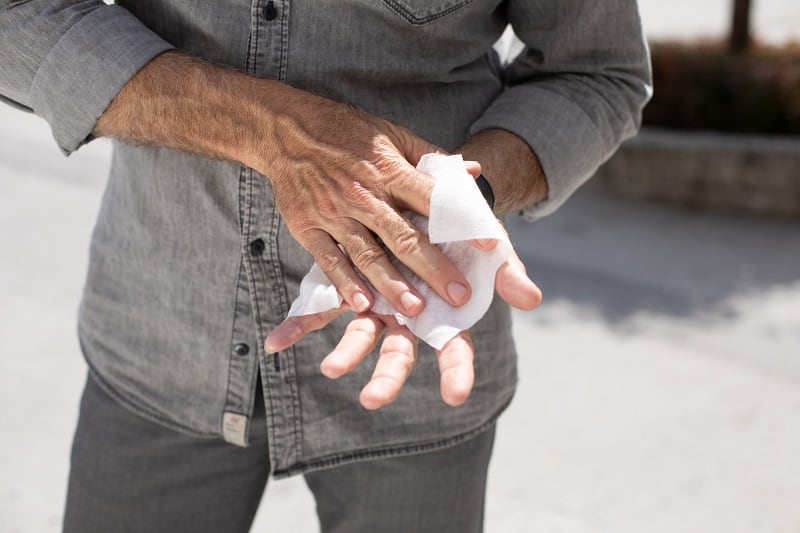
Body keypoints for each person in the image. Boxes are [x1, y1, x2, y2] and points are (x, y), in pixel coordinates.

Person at [0, 1, 651, 532]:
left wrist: (454, 203)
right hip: (161, 332)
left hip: (417, 345)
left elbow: (595, 71)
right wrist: (271, 129)